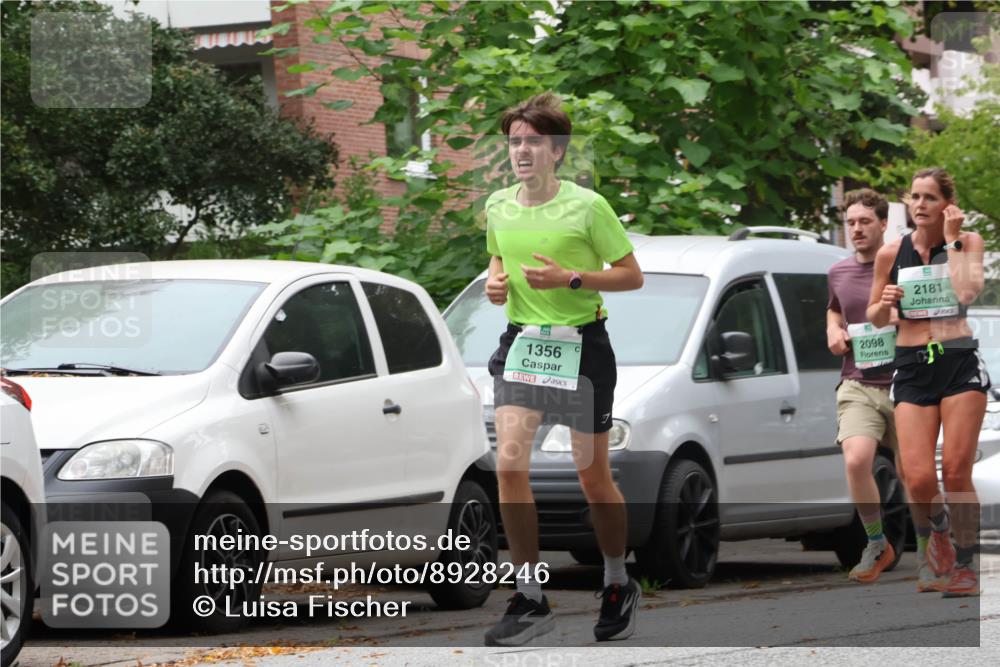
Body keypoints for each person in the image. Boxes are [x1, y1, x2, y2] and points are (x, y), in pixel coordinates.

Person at [482, 92, 644, 646]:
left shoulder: (587, 206)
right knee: (508, 468)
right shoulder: (498, 206)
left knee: (591, 476)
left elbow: (630, 275)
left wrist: (573, 278)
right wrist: (494, 282)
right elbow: (498, 259)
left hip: (581, 347)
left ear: (556, 150)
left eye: (532, 142)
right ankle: (529, 597)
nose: (521, 151)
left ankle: (618, 581)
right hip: (524, 343)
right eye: (514, 142)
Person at [867, 168, 987, 598]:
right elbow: (875, 317)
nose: (919, 205)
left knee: (955, 470)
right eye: (914, 197)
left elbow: (968, 291)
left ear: (946, 205)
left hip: (957, 362)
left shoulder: (968, 242)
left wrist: (953, 241)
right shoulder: (889, 253)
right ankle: (939, 535)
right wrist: (885, 303)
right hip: (912, 364)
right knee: (917, 477)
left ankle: (967, 565)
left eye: (929, 198)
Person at [827, 189, 931, 587]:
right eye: (850, 222)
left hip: (906, 381)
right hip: (858, 382)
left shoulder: (905, 264)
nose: (856, 229)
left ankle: (928, 548)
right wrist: (833, 330)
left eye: (864, 221)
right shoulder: (837, 271)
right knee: (856, 459)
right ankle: (876, 543)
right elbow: (835, 307)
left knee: (913, 473)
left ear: (884, 224)